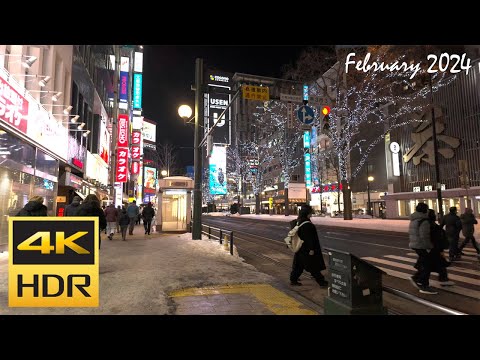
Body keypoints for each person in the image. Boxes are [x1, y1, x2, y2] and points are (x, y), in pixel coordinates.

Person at [289, 204, 328, 287]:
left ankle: (293, 279)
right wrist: (311, 249)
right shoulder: (307, 224)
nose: (311, 215)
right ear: (307, 213)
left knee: (299, 265)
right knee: (313, 267)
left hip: (300, 247)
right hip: (306, 250)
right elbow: (309, 238)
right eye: (310, 213)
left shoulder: (299, 221)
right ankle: (322, 282)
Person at [408, 202, 437, 294]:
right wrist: (429, 247)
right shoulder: (424, 221)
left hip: (415, 244)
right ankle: (423, 284)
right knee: (427, 265)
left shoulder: (414, 220)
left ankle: (417, 278)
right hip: (421, 245)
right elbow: (424, 236)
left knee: (424, 262)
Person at [426, 209, 454, 286]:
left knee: (436, 264)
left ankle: (443, 279)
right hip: (434, 248)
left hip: (432, 247)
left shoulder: (428, 224)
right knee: (438, 264)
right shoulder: (431, 225)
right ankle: (418, 278)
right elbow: (437, 237)